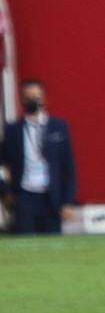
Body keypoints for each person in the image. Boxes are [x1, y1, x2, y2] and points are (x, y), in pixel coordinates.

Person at [1, 79, 77, 235]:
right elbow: (1, 163)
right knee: (23, 239)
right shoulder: (13, 130)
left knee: (52, 240)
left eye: (36, 96)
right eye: (28, 97)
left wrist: (68, 201)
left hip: (51, 196)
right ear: (22, 100)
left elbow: (68, 166)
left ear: (44, 98)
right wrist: (5, 191)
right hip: (24, 195)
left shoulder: (58, 126)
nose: (33, 101)